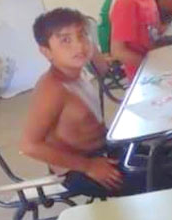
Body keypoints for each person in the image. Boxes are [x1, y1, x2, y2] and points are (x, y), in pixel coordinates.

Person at [22, 8, 146, 198]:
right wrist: (88, 166)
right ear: (46, 52)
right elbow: (29, 145)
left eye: (82, 36)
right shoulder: (52, 89)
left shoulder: (77, 71)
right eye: (65, 40)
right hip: (79, 168)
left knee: (169, 153)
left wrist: (90, 46)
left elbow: (103, 67)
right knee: (158, 177)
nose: (79, 46)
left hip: (104, 149)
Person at [109, 0, 162, 80]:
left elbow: (157, 31)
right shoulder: (125, 4)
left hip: (157, 63)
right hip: (143, 75)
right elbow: (118, 51)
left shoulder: (150, 2)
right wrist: (153, 65)